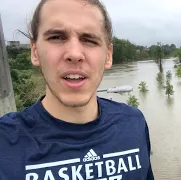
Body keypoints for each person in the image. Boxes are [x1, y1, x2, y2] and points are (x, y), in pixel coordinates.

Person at [0, 0, 154, 179]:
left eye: (89, 40)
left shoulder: (133, 123)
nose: (74, 54)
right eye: (56, 37)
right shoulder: (5, 142)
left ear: (108, 56)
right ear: (34, 51)